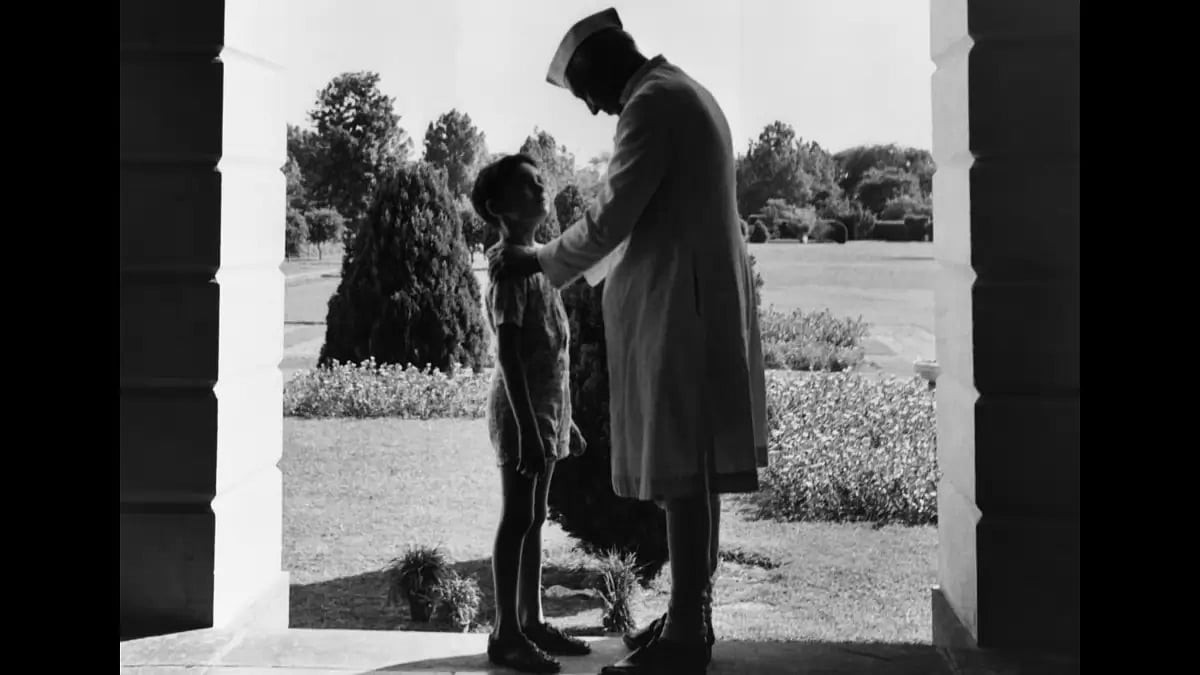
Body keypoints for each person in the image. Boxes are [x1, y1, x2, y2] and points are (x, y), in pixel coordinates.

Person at [488, 8, 768, 675]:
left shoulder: (651, 105)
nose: (590, 109)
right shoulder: (678, 92)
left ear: (603, 66)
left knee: (683, 470)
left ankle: (686, 632)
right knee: (692, 471)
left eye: (585, 92)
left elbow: (613, 216)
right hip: (695, 301)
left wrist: (537, 259)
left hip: (684, 307)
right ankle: (686, 614)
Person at [471, 153, 591, 674]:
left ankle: (532, 618)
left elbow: (552, 352)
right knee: (518, 516)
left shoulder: (538, 262)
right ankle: (506, 632)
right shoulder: (509, 267)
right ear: (498, 207)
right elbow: (510, 353)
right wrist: (527, 428)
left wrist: (565, 421)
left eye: (539, 179)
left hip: (543, 413)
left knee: (535, 517)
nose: (540, 186)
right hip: (523, 415)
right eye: (526, 185)